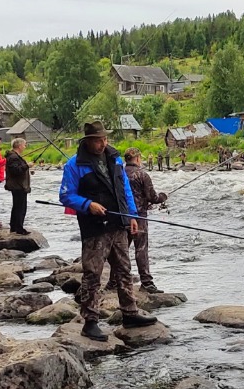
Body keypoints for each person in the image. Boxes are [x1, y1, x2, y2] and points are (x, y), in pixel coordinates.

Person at [59, 120, 155, 340]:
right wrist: (87, 205)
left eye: (104, 139)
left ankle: (129, 313)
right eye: (98, 140)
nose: (103, 143)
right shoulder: (75, 165)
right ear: (88, 141)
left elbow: (125, 190)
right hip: (94, 228)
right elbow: (65, 195)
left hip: (119, 224)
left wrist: (132, 215)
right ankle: (90, 322)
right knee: (92, 274)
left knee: (123, 269)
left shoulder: (115, 159)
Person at [121, 148, 169, 295]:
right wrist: (163, 197)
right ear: (137, 158)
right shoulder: (142, 175)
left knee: (121, 251)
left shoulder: (119, 174)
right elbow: (153, 197)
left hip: (121, 216)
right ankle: (146, 283)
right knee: (141, 249)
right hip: (139, 217)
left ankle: (114, 281)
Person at [5, 138, 32, 233]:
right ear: (19, 146)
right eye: (24, 145)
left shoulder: (14, 156)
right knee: (20, 207)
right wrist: (27, 166)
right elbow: (15, 171)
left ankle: (14, 227)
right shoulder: (13, 157)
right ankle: (19, 228)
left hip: (17, 185)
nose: (25, 147)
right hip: (18, 186)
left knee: (17, 207)